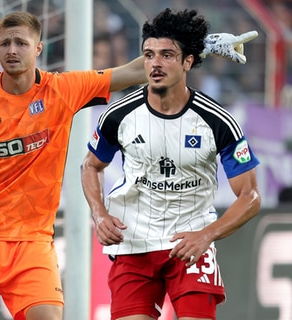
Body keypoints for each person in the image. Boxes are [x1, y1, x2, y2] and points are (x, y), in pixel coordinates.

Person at [0, 10, 256, 320]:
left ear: (38, 48)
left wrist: (198, 45)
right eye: (5, 43)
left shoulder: (63, 89)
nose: (12, 50)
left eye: (21, 43)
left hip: (30, 241)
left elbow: (135, 71)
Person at [80, 8, 261, 320]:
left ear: (187, 61)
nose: (156, 63)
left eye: (167, 55)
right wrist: (99, 214)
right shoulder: (119, 115)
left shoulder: (218, 121)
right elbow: (90, 165)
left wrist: (207, 234)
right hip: (133, 242)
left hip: (190, 245)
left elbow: (251, 196)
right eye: (149, 55)